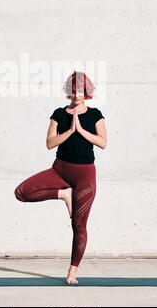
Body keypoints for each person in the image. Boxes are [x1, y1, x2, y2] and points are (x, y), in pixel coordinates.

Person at [14, 70, 107, 284]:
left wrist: (81, 130)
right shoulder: (58, 113)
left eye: (82, 89)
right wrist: (69, 130)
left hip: (85, 175)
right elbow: (49, 143)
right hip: (60, 170)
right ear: (68, 91)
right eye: (74, 89)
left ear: (88, 90)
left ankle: (72, 272)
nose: (78, 93)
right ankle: (63, 194)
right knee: (21, 192)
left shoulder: (95, 115)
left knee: (79, 225)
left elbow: (102, 143)